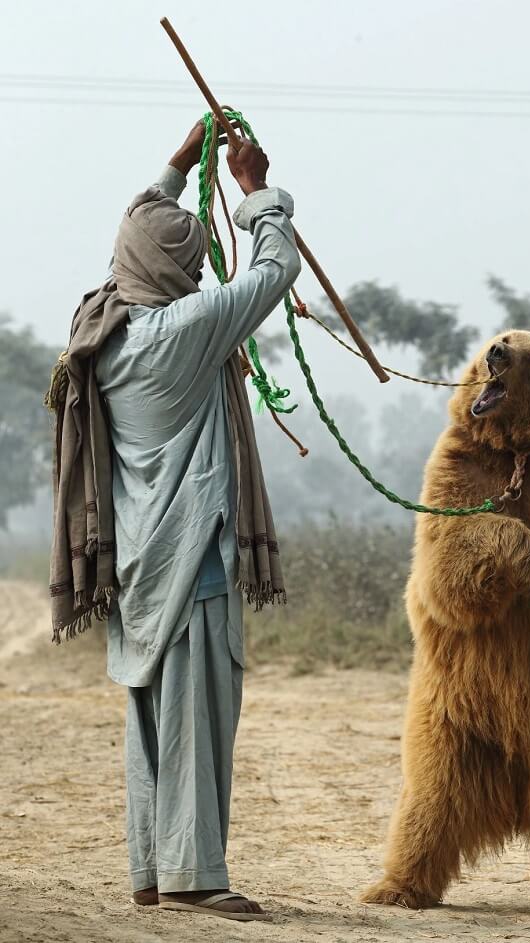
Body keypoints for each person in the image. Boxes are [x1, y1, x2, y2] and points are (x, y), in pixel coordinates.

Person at [47, 121, 301, 922]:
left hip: (133, 560)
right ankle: (196, 877)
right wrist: (256, 187)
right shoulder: (186, 331)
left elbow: (137, 227)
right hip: (194, 557)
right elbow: (276, 267)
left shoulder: (102, 325)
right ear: (175, 271)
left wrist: (180, 162)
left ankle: (156, 871)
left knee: (153, 722)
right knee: (197, 715)